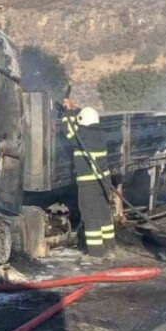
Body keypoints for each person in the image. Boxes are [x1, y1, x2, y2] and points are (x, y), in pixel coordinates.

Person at [63, 102, 116, 257]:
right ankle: (110, 246)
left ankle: (96, 253)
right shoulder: (99, 134)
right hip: (104, 182)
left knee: (90, 216)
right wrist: (76, 109)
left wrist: (68, 113)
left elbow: (68, 130)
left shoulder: (83, 135)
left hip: (89, 184)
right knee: (104, 213)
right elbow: (82, 120)